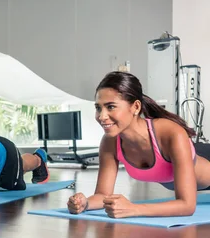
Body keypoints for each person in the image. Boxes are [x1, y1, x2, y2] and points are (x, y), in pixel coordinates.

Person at [67, 71, 210, 218]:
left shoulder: (171, 133)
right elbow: (103, 194)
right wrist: (85, 204)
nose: (102, 116)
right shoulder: (110, 142)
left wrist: (133, 209)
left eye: (110, 107)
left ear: (135, 107)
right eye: (98, 108)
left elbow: (187, 205)